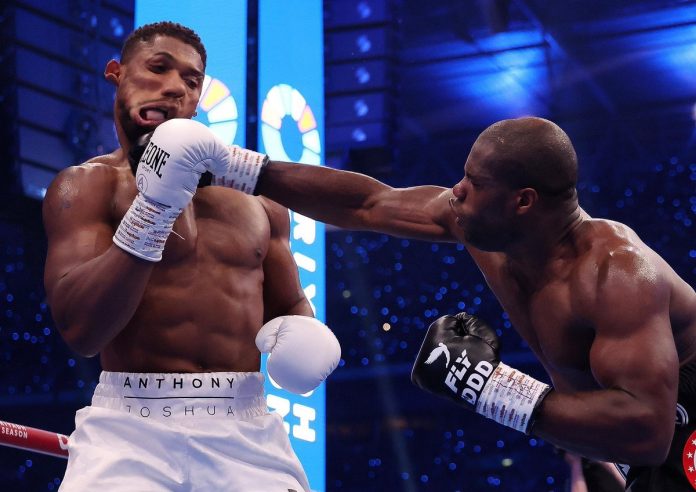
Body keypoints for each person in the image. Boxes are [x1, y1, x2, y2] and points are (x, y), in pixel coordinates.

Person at [219, 116, 696, 490]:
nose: (458, 191)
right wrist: (237, 168)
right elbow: (367, 204)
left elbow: (648, 431)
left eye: (475, 183)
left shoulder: (616, 274)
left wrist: (491, 388)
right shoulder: (482, 227)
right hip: (637, 448)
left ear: (523, 201)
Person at [42, 21, 340, 491]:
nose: (175, 87)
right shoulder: (86, 186)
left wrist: (307, 334)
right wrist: (153, 211)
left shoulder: (258, 199)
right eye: (158, 68)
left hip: (247, 430)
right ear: (117, 73)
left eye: (192, 80)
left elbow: (290, 307)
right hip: (128, 430)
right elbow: (82, 330)